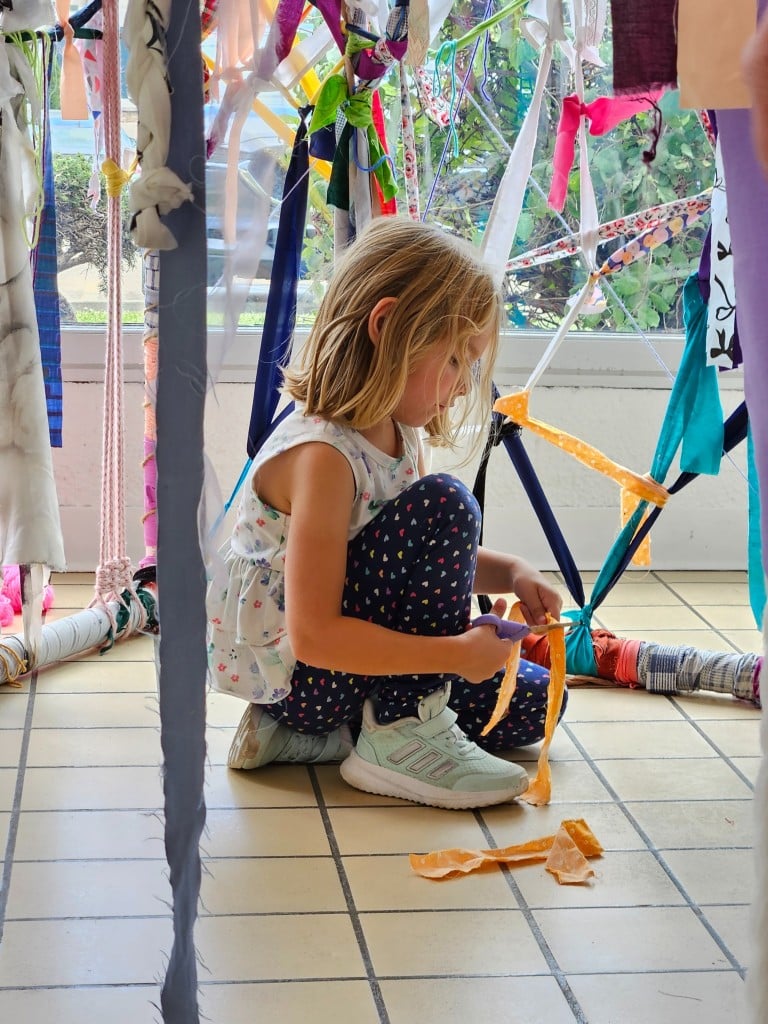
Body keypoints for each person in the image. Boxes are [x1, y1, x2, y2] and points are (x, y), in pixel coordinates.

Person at [206, 216, 564, 811]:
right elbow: (316, 636)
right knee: (449, 501)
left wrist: (516, 572)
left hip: (345, 671)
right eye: (453, 360)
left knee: (530, 703)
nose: (458, 386)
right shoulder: (323, 455)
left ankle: (331, 738)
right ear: (387, 328)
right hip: (305, 677)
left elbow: (416, 558)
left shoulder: (397, 432)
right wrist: (453, 655)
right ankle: (396, 734)